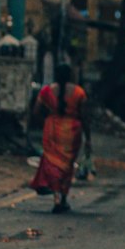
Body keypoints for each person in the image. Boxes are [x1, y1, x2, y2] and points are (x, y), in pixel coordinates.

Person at [29, 63, 90, 214]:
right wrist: (88, 138)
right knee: (66, 167)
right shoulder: (79, 93)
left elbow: (36, 111)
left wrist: (48, 119)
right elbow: (85, 117)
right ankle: (63, 198)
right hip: (72, 132)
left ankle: (56, 197)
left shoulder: (46, 91)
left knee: (53, 165)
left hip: (52, 130)